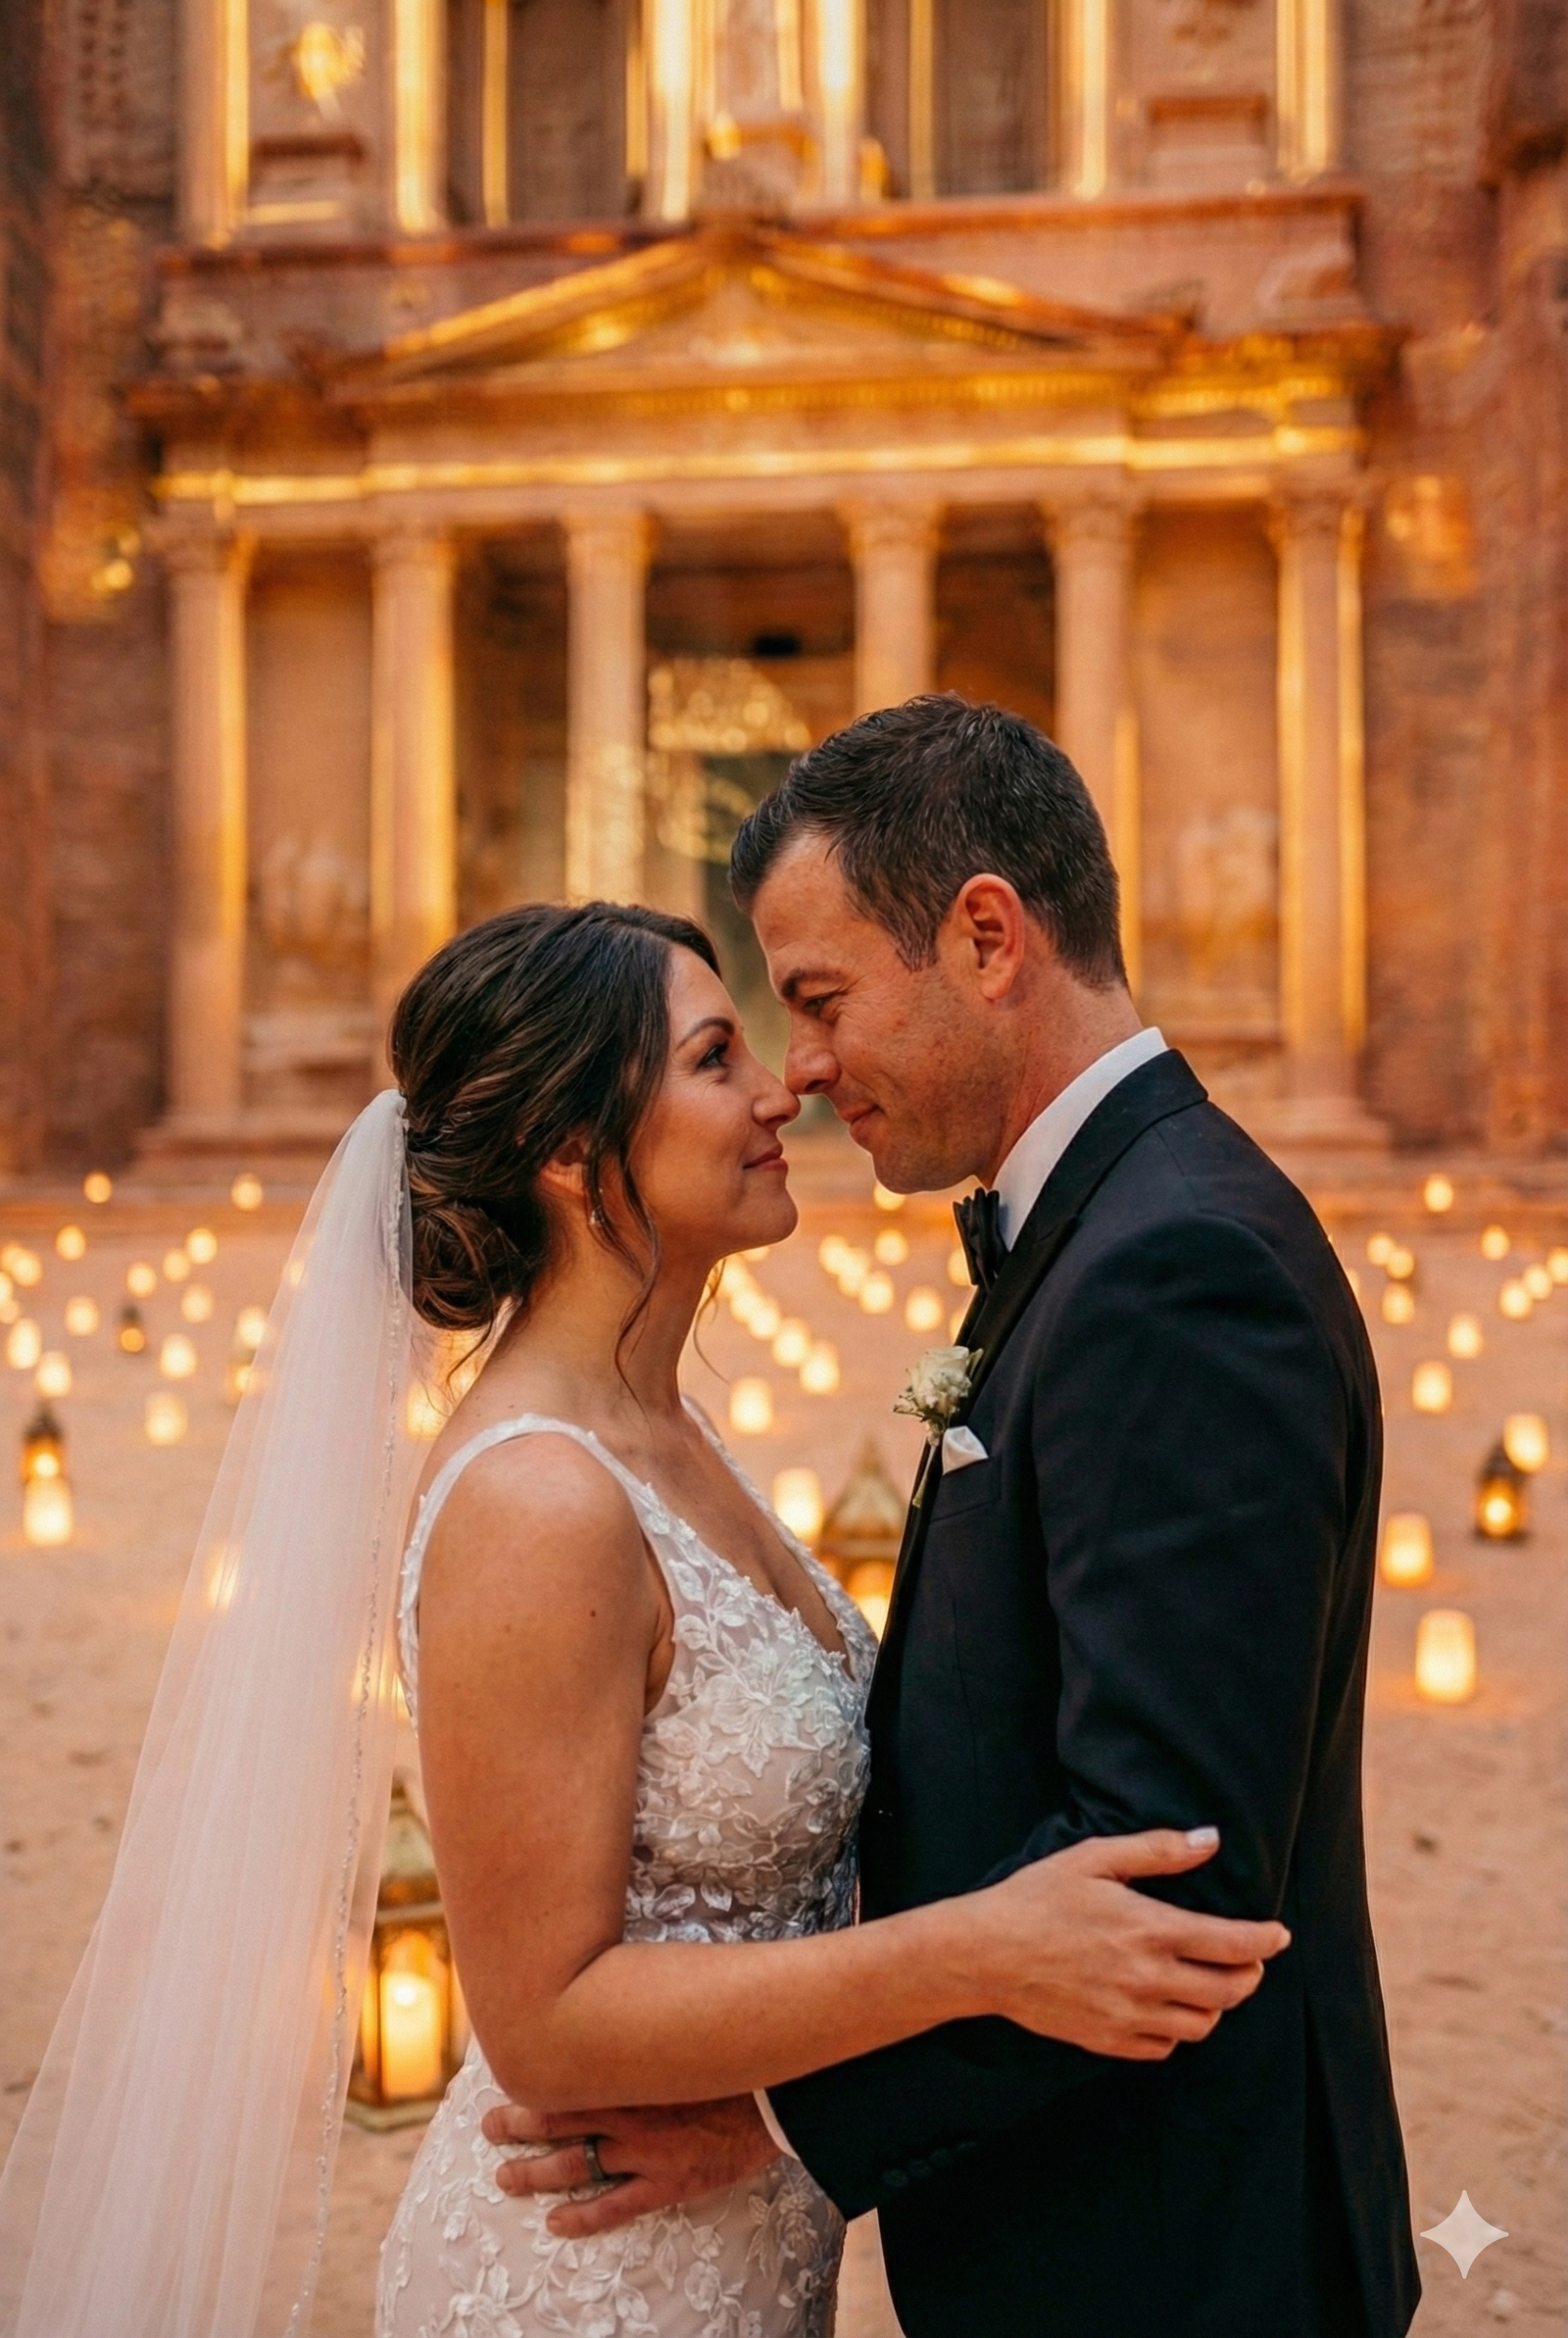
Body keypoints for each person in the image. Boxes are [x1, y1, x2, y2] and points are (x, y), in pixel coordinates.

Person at [0, 896, 1285, 2338]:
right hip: (584, 2268)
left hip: (730, 2237)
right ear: (567, 1149)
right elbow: (543, 2021)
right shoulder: (538, 1502)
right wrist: (982, 1948)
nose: (781, 1087)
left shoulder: (666, 1435)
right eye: (716, 1054)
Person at [484, 701, 1423, 2338]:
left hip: (1172, 2256)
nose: (808, 1072)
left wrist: (781, 2120)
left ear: (988, 935)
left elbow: (1169, 1880)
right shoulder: (1105, 1229)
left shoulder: (1169, 1273)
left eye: (824, 1001)